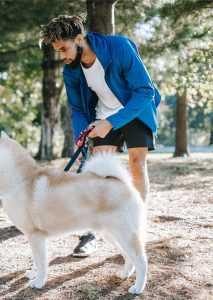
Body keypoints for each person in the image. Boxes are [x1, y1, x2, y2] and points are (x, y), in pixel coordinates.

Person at [40, 14, 161, 257]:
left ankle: (136, 229)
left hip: (134, 110)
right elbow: (76, 109)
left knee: (136, 165)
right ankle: (90, 234)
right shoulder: (71, 70)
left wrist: (112, 122)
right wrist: (81, 134)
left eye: (64, 48)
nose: (62, 56)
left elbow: (145, 91)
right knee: (97, 174)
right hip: (101, 114)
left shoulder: (119, 47)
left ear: (79, 38)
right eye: (57, 51)